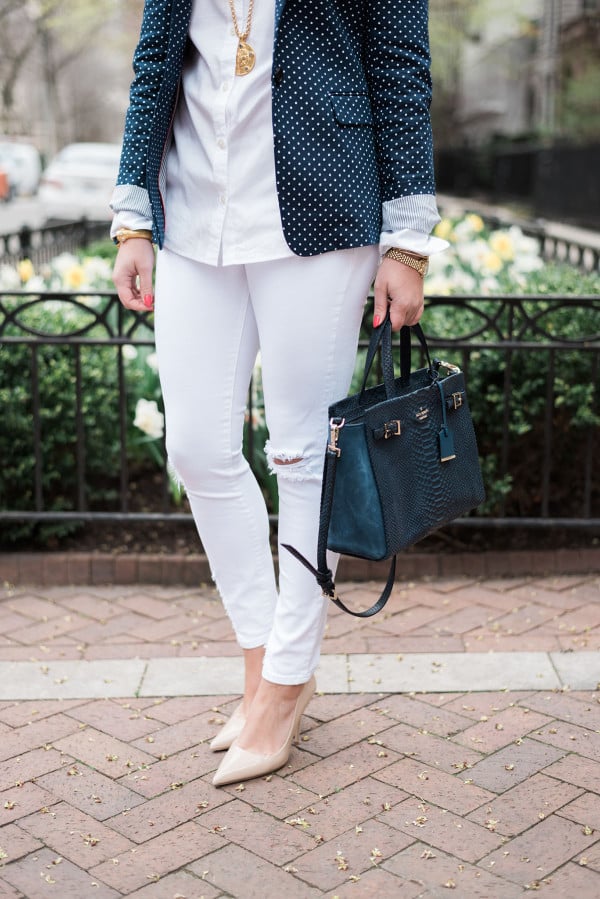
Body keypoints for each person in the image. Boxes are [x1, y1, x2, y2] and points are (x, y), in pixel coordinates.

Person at [111, 0, 446, 787]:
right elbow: (155, 62)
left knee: (302, 455)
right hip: (194, 214)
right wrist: (132, 218)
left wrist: (407, 243)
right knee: (196, 448)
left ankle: (286, 680)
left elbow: (401, 72)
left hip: (323, 212)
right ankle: (264, 661)